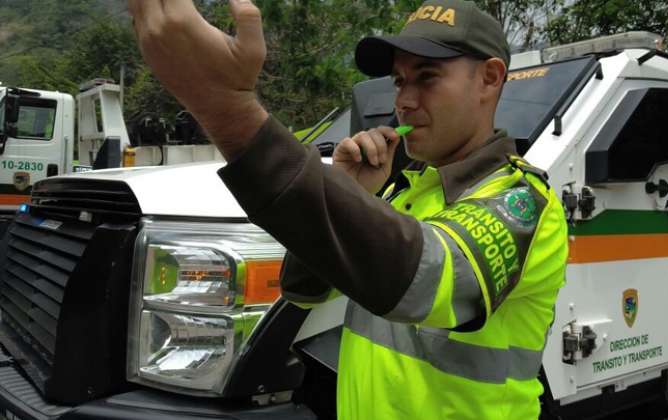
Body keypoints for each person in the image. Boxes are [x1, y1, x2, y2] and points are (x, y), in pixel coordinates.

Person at [128, 0, 568, 418]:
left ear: (490, 79)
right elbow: (304, 290)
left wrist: (227, 107)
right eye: (399, 80)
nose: (404, 101)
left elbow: (415, 279)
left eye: (427, 77)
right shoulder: (408, 191)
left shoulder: (521, 200)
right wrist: (348, 190)